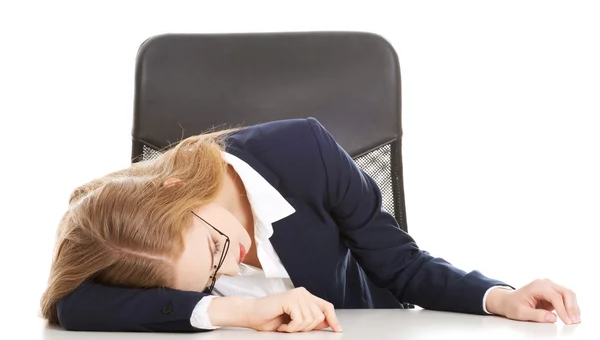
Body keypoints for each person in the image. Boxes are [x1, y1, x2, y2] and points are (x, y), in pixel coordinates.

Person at [40, 117, 581, 333]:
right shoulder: (146, 254)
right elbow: (71, 304)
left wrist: (499, 297)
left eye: (215, 245)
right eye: (207, 278)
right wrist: (235, 309)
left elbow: (403, 267)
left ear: (174, 188)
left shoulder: (304, 152)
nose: (230, 265)